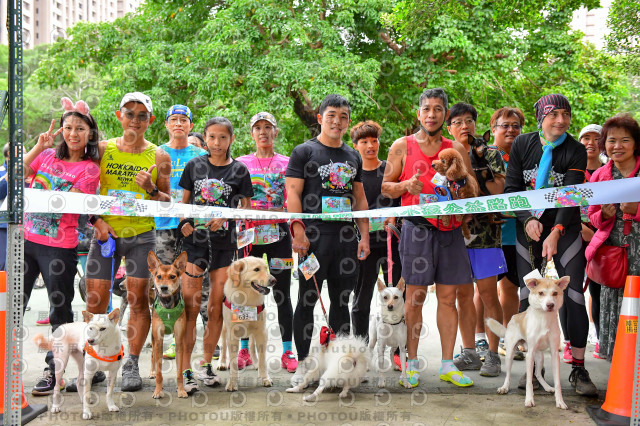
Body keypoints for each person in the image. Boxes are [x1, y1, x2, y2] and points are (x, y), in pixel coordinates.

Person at [381, 88, 476, 388]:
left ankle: (448, 365)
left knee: (448, 300)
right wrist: (406, 185)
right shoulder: (401, 146)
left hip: (450, 230)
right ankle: (411, 364)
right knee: (415, 298)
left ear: (445, 115)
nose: (432, 114)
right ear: (418, 113)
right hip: (417, 229)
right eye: (426, 109)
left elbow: (471, 185)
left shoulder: (456, 147)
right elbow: (384, 187)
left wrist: (462, 191)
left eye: (438, 109)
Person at [504, 93, 597, 396]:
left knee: (572, 296)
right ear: (541, 118)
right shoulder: (522, 144)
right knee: (526, 295)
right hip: (527, 228)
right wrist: (526, 218)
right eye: (553, 114)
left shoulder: (576, 150)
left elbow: (571, 196)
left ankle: (579, 369)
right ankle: (533, 371)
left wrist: (556, 230)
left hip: (565, 228)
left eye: (565, 114)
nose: (560, 120)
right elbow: (512, 188)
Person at [85, 92, 171, 392]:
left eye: (142, 115)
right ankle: (94, 362)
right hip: (105, 234)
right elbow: (83, 187)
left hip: (141, 236)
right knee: (94, 302)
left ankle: (131, 362)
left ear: (151, 120)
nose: (135, 119)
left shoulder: (159, 156)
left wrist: (150, 189)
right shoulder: (101, 148)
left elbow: (166, 201)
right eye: (129, 113)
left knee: (137, 300)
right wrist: (96, 221)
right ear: (119, 115)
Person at [286, 94, 370, 386]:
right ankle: (302, 366)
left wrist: (365, 235)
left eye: (344, 116)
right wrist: (298, 230)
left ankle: (338, 368)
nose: (337, 121)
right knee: (307, 301)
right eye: (331, 115)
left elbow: (359, 198)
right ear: (320, 118)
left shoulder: (353, 155)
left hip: (346, 239)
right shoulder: (303, 152)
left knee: (341, 302)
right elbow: (293, 193)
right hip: (313, 239)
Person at [25, 99, 101, 395]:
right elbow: (18, 175)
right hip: (26, 242)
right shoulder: (44, 157)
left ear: (90, 134)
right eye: (68, 127)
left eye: (80, 128)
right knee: (12, 305)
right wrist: (39, 146)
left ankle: (53, 370)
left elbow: (81, 208)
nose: (73, 133)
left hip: (59, 248)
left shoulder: (89, 170)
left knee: (60, 311)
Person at [179, 117, 253, 387]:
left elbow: (246, 208)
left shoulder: (240, 171)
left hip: (224, 246)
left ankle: (206, 365)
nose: (217, 143)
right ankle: (185, 369)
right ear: (205, 139)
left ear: (231, 139)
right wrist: (184, 224)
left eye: (223, 137)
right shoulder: (194, 165)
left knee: (215, 307)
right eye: (212, 137)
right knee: (191, 305)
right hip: (195, 244)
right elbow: (183, 205)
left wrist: (227, 217)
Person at [445, 103, 506, 377]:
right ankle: (469, 352)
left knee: (488, 294)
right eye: (457, 122)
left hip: (486, 236)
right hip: (455, 236)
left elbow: (500, 190)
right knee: (462, 295)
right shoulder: (443, 155)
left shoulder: (489, 154)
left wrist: (474, 174)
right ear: (449, 128)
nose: (464, 126)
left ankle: (493, 355)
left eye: (469, 120)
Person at [237, 112, 298, 373]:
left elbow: (295, 196)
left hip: (279, 235)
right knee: (245, 293)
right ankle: (243, 349)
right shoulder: (240, 163)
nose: (263, 132)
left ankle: (287, 351)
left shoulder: (287, 162)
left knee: (282, 293)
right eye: (258, 128)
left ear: (275, 132)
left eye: (268, 128)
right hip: (249, 234)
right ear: (251, 134)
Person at [153, 105, 206, 385]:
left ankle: (206, 353)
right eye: (173, 119)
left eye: (183, 120)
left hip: (194, 227)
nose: (178, 124)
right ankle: (168, 339)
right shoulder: (157, 152)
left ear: (190, 125)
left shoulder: (200, 154)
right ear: (166, 124)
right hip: (163, 227)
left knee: (198, 290)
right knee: (165, 285)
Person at [586, 114, 640, 360]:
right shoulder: (600, 175)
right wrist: (604, 216)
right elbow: (592, 217)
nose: (617, 146)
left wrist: (636, 211)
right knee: (612, 303)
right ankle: (619, 364)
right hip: (613, 252)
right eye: (611, 140)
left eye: (625, 140)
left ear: (636, 144)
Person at [349, 120, 402, 342]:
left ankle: (400, 351)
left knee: (398, 297)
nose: (371, 145)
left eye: (374, 140)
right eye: (364, 141)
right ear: (355, 146)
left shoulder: (390, 169)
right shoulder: (352, 174)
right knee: (362, 298)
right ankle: (360, 348)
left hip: (393, 243)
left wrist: (395, 215)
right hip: (365, 244)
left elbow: (402, 198)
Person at [489, 107, 526, 361]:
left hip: (516, 233)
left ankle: (508, 336)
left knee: (511, 286)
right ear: (494, 129)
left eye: (515, 126)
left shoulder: (526, 156)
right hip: (488, 234)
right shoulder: (485, 154)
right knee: (486, 289)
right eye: (505, 125)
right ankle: (482, 341)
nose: (510, 130)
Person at [576, 124, 606, 360]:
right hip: (577, 231)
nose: (591, 143)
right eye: (586, 137)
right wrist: (581, 228)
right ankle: (571, 341)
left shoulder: (610, 171)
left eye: (597, 138)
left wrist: (596, 231)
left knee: (598, 288)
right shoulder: (573, 170)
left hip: (604, 233)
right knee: (573, 287)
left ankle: (600, 338)